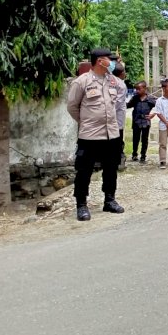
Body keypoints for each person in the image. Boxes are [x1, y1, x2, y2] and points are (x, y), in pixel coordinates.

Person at [66, 48, 125, 221]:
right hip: (90, 135)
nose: (112, 63)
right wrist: (86, 122)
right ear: (100, 61)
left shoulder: (114, 81)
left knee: (111, 169)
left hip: (111, 134)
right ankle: (82, 205)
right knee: (84, 171)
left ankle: (109, 200)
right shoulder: (81, 82)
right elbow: (72, 107)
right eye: (109, 59)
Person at [127, 80, 155, 163]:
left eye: (139, 89)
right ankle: (134, 154)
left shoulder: (150, 99)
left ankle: (143, 156)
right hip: (136, 121)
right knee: (135, 139)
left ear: (145, 89)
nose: (137, 91)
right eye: (136, 89)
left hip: (146, 122)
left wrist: (153, 114)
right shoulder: (135, 98)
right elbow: (128, 105)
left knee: (145, 139)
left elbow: (159, 108)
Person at [111, 59, 128, 171]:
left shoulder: (110, 81)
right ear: (121, 74)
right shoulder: (121, 84)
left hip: (112, 114)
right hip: (116, 115)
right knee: (118, 136)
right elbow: (118, 101)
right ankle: (118, 157)